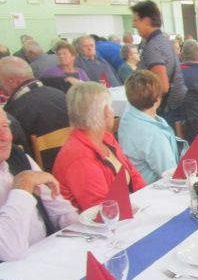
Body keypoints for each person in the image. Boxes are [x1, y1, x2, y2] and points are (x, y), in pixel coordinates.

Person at [53, 82, 145, 211]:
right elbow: (101, 208)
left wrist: (145, 200)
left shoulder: (106, 138)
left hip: (128, 208)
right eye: (111, 107)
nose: (113, 111)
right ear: (106, 112)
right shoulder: (79, 158)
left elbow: (133, 174)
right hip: (103, 219)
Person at [0, 108, 78, 262]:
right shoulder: (25, 176)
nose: (5, 137)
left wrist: (83, 231)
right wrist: (23, 187)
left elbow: (60, 209)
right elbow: (10, 251)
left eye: (5, 126)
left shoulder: (17, 156)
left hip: (47, 256)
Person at [118, 70, 187, 184]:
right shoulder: (153, 134)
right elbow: (171, 173)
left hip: (135, 183)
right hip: (152, 188)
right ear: (158, 99)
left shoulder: (128, 116)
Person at [0, 56, 69, 161]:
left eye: (1, 84)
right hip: (72, 158)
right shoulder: (62, 95)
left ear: (13, 81)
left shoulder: (14, 112)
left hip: (42, 166)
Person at [131, 0, 187, 126]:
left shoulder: (152, 46)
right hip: (177, 104)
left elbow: (162, 86)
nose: (133, 24)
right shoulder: (164, 41)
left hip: (167, 109)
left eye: (136, 20)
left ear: (146, 21)